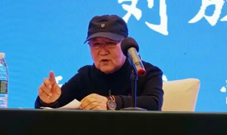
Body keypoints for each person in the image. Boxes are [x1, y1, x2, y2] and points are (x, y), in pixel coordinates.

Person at [35, 15, 164, 111]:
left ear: (125, 44)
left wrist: (111, 103)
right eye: (96, 44)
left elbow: (154, 103)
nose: (103, 51)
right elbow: (50, 106)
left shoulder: (146, 72)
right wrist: (48, 101)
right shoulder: (85, 76)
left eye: (110, 43)